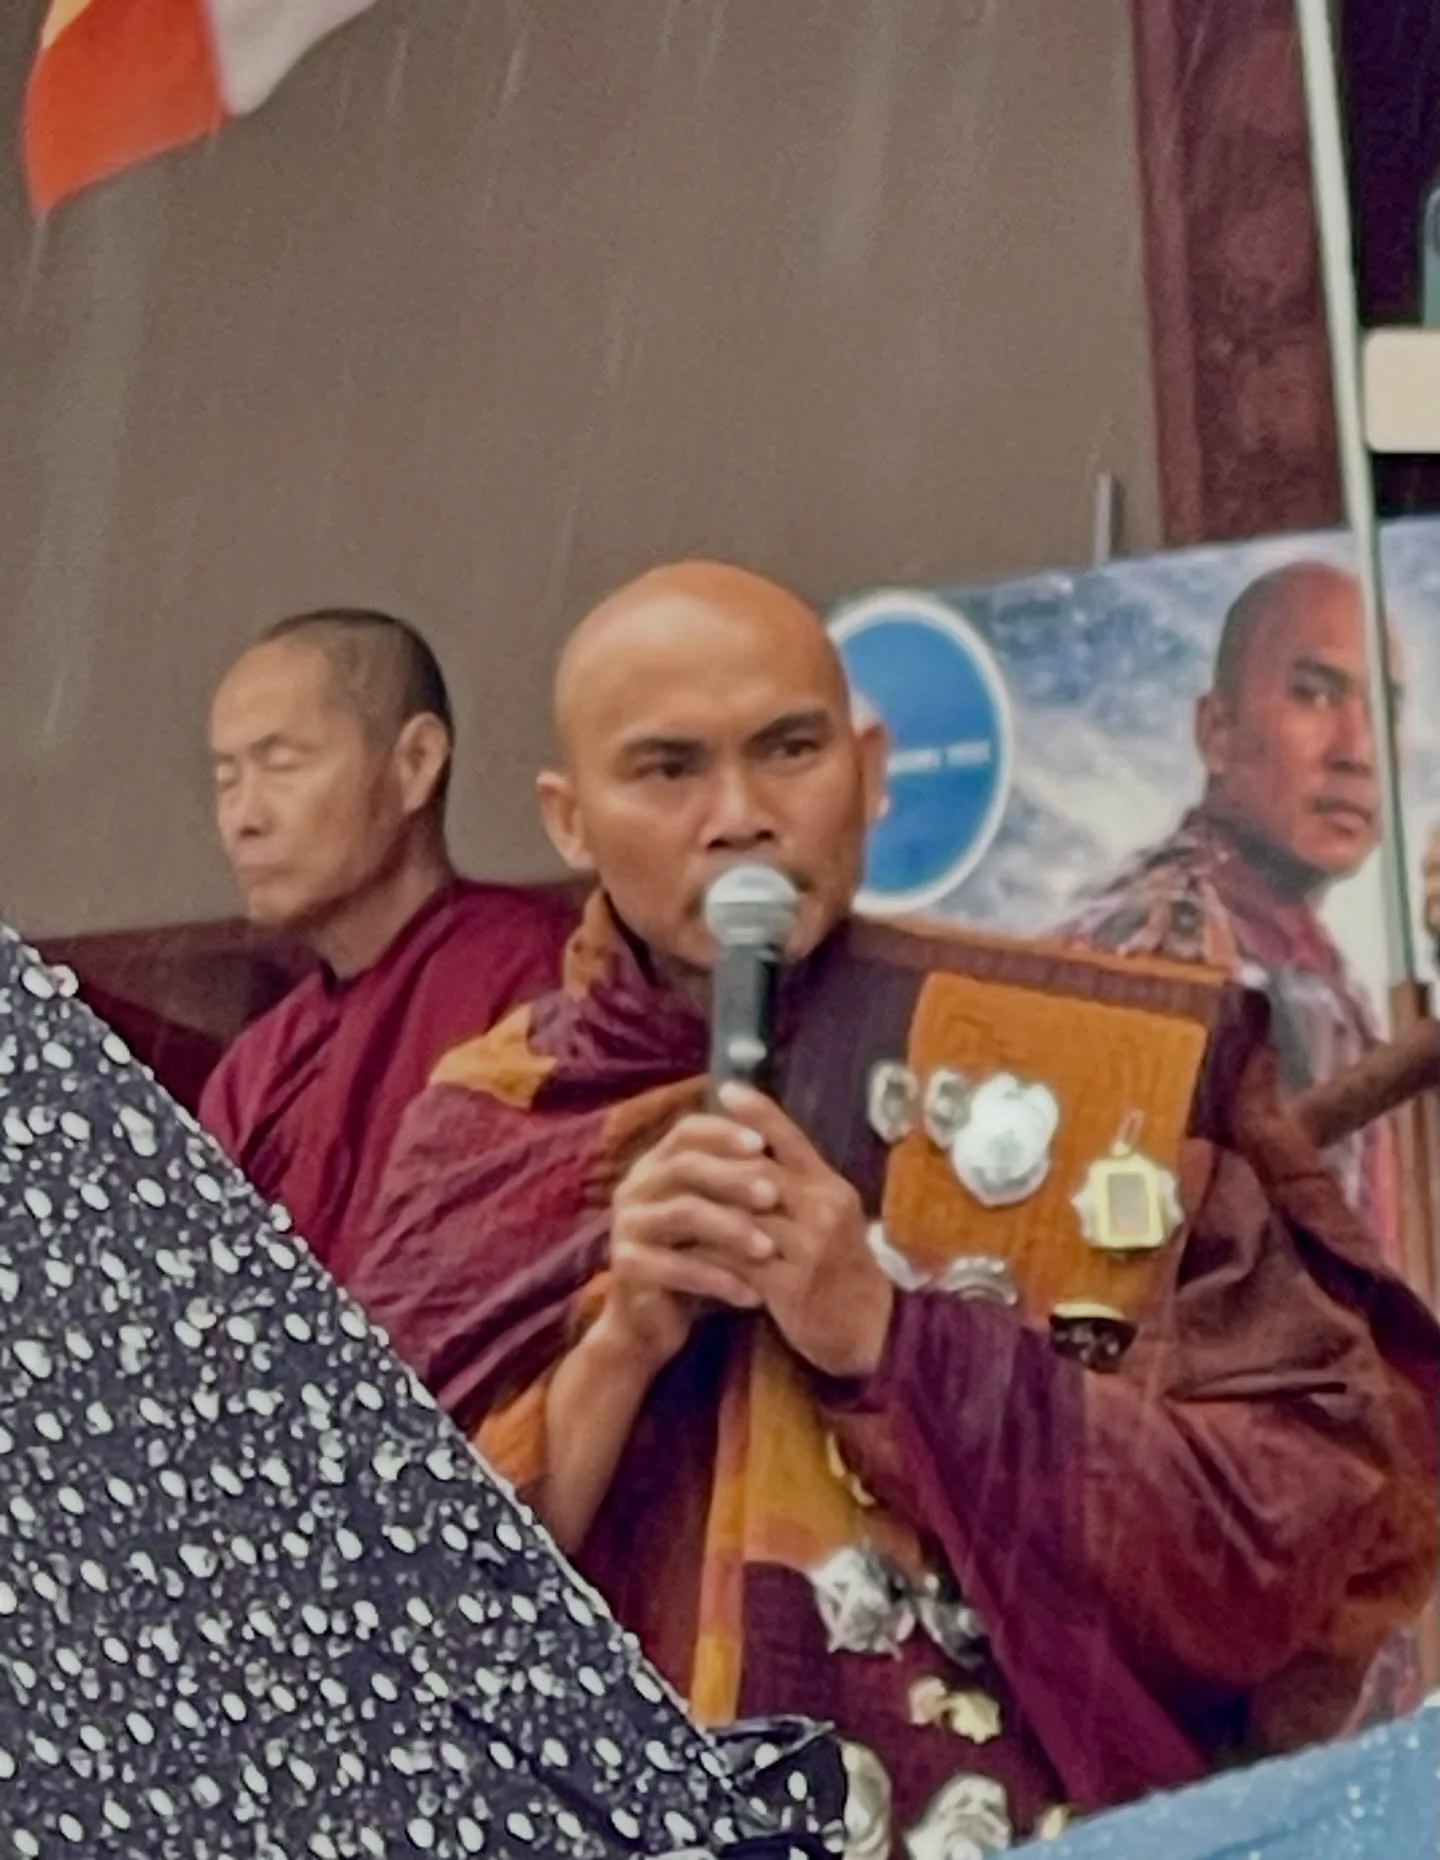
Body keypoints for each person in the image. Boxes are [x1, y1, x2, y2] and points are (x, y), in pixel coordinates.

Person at [352, 563, 1438, 1851]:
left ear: (869, 770)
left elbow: (1288, 1539)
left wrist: (896, 1340)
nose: (740, 817)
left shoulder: (1103, 1063)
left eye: (790, 749)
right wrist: (614, 1354)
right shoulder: (498, 1126)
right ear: (568, 819)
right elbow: (382, 1629)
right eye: (666, 770)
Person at [200, 607, 574, 1277]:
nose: (242, 819)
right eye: (226, 779)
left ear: (415, 763)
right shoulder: (255, 1067)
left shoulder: (534, 974)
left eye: (281, 766)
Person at [1053, 561, 1401, 1259]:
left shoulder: (1313, 959)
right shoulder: (1157, 936)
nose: (1358, 751)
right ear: (1217, 732)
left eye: (1382, 711)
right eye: (1314, 695)